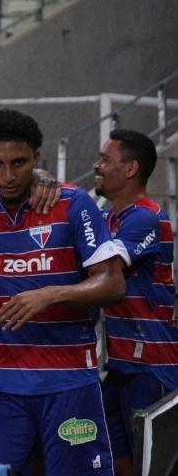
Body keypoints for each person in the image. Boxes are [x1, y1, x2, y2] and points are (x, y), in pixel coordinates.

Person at [0, 109, 126, 475]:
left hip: (69, 383)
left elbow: (113, 281)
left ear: (36, 155)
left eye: (19, 162)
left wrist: (51, 294)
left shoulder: (72, 203)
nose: (8, 176)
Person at [93, 129, 178, 476]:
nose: (96, 166)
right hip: (120, 366)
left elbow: (101, 272)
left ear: (130, 169)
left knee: (151, 468)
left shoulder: (146, 217)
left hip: (153, 368)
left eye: (105, 160)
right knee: (117, 465)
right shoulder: (109, 217)